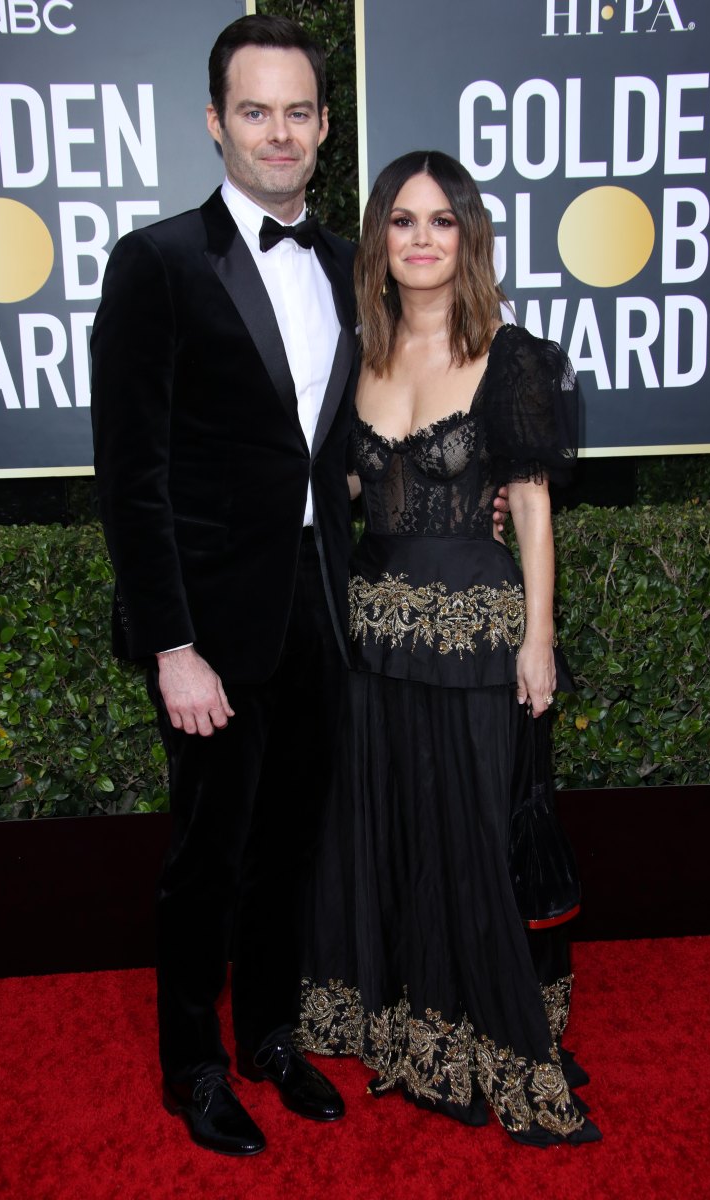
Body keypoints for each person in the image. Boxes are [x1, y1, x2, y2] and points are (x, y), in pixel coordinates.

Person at [90, 15, 358, 1157]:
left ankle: (271, 1039)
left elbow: (362, 437)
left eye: (297, 110)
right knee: (210, 851)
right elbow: (130, 473)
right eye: (255, 110)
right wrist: (171, 645)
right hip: (209, 618)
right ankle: (192, 1066)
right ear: (215, 123)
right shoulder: (155, 263)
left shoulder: (349, 262)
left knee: (294, 840)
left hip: (319, 602)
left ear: (324, 126)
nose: (279, 131)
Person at [297, 151, 602, 1146]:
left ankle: (487, 1031)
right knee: (391, 832)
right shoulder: (359, 354)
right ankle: (408, 1025)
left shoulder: (508, 355)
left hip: (476, 638)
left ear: (466, 235)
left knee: (469, 835)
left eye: (440, 220)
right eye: (400, 221)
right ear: (377, 241)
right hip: (372, 643)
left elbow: (530, 506)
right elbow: (340, 489)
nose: (420, 239)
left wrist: (539, 639)